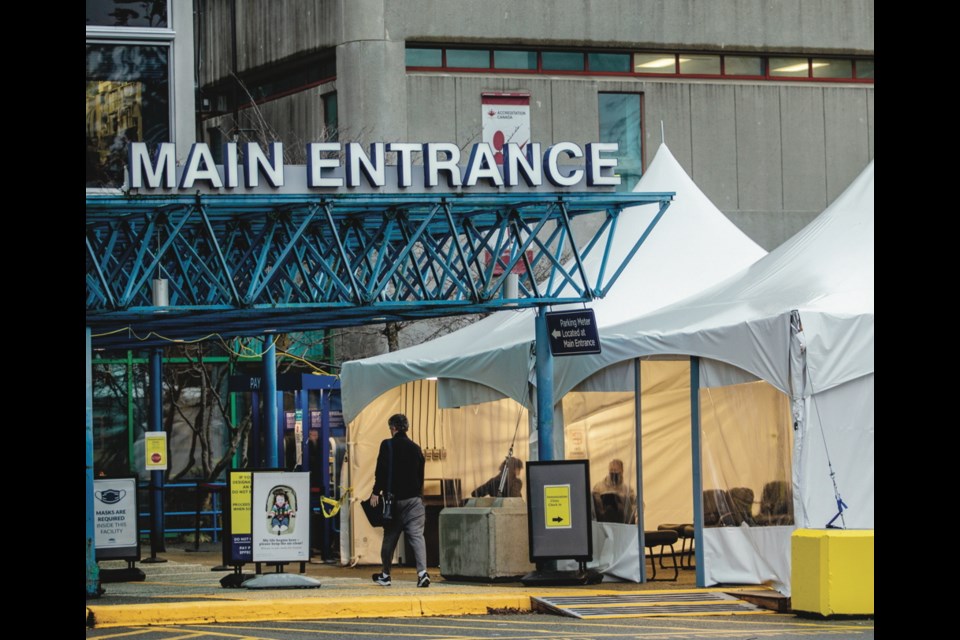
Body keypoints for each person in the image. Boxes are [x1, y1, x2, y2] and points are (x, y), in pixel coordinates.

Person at [369, 413, 430, 588]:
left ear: (393, 428)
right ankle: (422, 574)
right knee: (417, 536)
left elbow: (381, 470)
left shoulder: (387, 445)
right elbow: (421, 474)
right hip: (414, 500)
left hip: (393, 501)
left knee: (390, 537)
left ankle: (386, 575)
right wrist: (418, 495)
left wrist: (376, 492)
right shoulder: (416, 448)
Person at [592, 459, 638, 524]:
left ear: (622, 471)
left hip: (622, 524)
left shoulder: (628, 489)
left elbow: (635, 506)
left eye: (616, 471)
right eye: (611, 470)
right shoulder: (599, 487)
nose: (613, 473)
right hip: (604, 524)